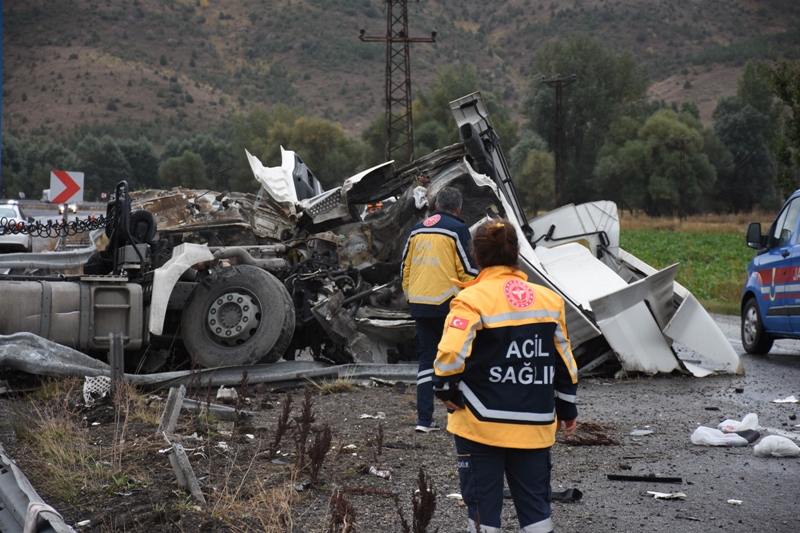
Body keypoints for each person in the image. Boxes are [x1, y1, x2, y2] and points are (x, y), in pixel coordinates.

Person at [433, 219, 578, 533]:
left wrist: (445, 389)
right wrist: (568, 409)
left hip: (480, 425)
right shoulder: (550, 301)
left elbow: (449, 354)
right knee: (537, 511)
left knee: (483, 513)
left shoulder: (471, 300)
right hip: (536, 427)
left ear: (477, 257)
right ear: (517, 254)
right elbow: (563, 360)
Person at [401, 187, 479, 433]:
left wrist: (410, 296)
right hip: (448, 305)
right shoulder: (458, 229)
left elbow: (405, 268)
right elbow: (468, 270)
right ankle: (453, 415)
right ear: (459, 208)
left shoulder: (417, 229)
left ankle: (424, 421)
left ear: (436, 206)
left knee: (426, 360)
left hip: (420, 304)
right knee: (455, 357)